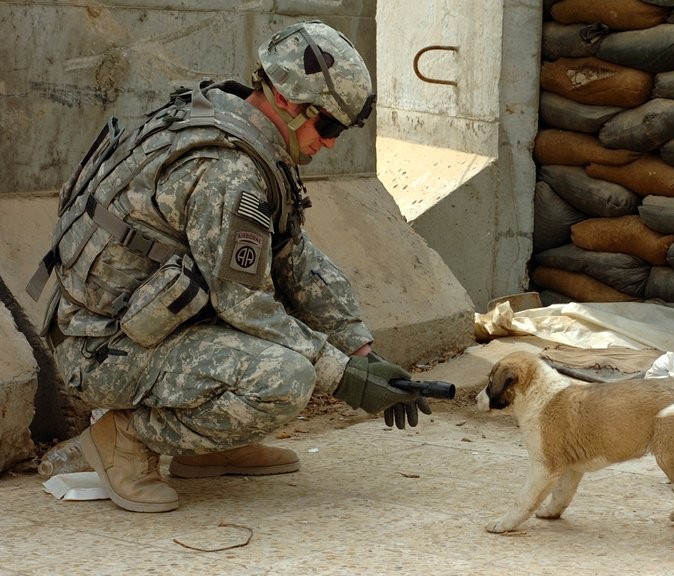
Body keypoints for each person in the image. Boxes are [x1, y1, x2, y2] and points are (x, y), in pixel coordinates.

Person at [29, 20, 430, 513]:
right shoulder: (230, 171)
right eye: (326, 126)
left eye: (339, 131)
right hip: (104, 349)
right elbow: (248, 306)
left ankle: (210, 445)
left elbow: (294, 257)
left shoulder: (236, 123)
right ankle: (125, 442)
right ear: (287, 100)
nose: (329, 143)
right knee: (284, 378)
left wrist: (360, 348)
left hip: (142, 324)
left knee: (291, 325)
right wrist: (342, 375)